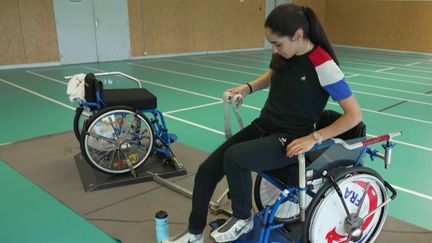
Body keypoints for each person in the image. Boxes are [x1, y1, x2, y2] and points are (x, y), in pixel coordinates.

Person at [163, 3, 362, 243]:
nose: (275, 50)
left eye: (278, 43)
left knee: (235, 158)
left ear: (298, 36)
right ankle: (194, 234)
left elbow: (353, 116)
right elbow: (273, 75)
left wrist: (313, 138)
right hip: (264, 125)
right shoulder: (284, 54)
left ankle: (243, 219)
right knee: (206, 171)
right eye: (272, 44)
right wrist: (248, 88)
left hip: (290, 138)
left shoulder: (324, 65)